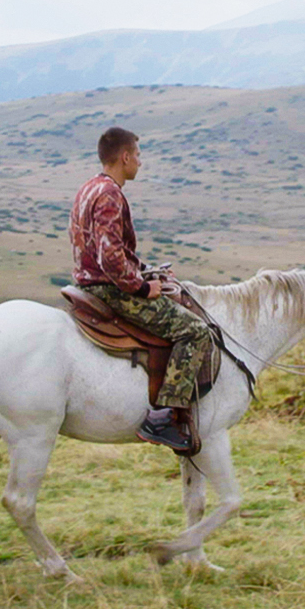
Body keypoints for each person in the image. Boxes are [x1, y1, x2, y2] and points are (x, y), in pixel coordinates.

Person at [69, 126, 214, 454]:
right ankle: (162, 418)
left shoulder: (89, 187)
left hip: (90, 281)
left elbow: (109, 250)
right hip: (110, 290)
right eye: (137, 155)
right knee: (196, 331)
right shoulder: (110, 194)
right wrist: (141, 287)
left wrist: (147, 269)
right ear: (124, 157)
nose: (140, 161)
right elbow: (109, 257)